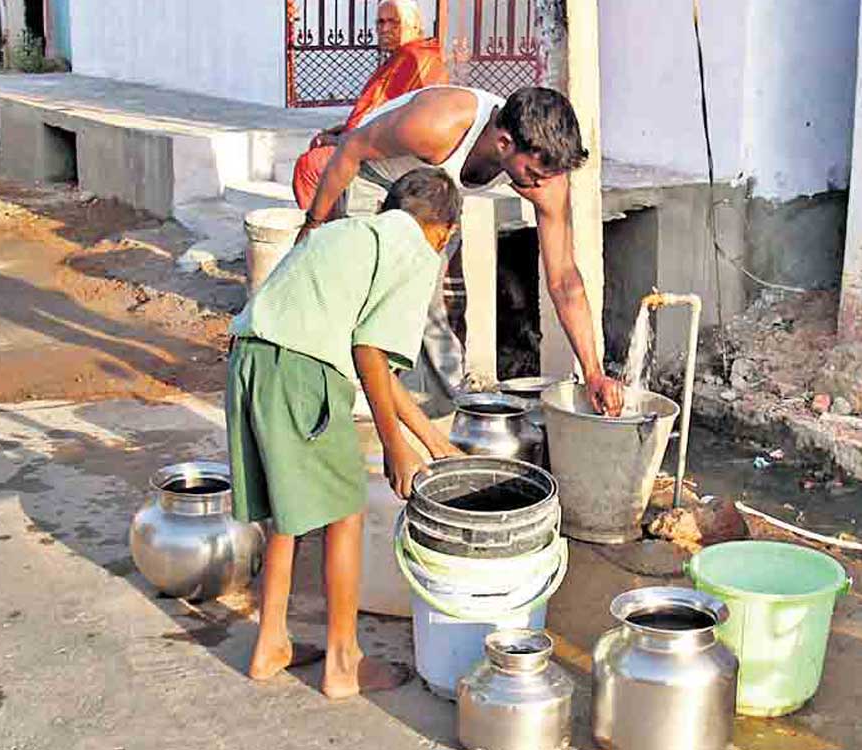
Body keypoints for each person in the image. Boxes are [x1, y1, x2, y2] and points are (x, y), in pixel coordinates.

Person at [226, 168, 464, 699]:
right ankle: (342, 662)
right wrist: (397, 450)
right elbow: (371, 353)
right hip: (300, 370)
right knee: (346, 511)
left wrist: (433, 440)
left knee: (289, 509)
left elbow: (373, 359)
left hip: (250, 359)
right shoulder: (416, 250)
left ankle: (271, 644)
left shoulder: (346, 233)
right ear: (442, 232)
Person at [298, 84, 626, 416]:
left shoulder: (546, 174)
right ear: (504, 144)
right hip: (374, 182)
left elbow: (564, 280)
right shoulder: (437, 124)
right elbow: (352, 149)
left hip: (437, 200)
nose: (541, 185)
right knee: (367, 307)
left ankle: (444, 415)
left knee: (436, 312)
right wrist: (313, 225)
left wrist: (593, 372)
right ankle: (349, 407)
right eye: (534, 174)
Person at [291, 0, 448, 212]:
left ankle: (320, 231)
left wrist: (343, 139)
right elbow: (380, 111)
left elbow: (389, 121)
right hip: (390, 142)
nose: (384, 29)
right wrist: (343, 132)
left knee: (312, 165)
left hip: (401, 155)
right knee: (321, 148)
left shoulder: (413, 58)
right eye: (380, 22)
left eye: (393, 22)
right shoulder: (410, 54)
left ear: (414, 25)